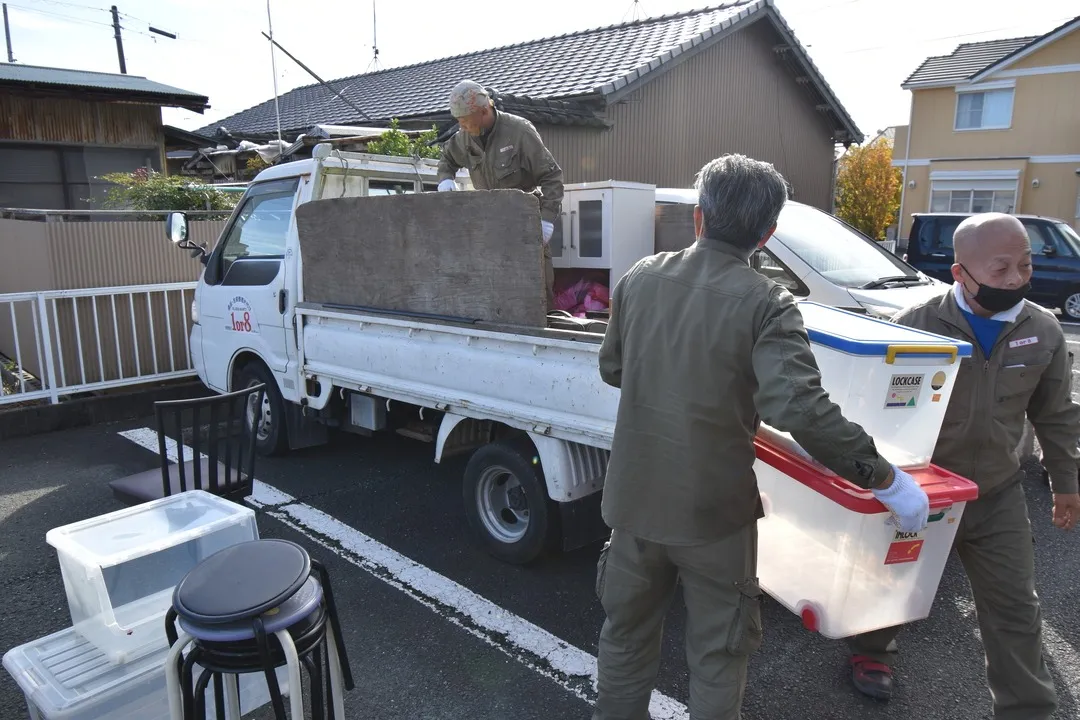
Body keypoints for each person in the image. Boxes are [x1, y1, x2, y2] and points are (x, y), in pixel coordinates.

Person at [592, 153, 930, 720]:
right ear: (768, 233)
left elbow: (614, 369)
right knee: (719, 654)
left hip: (633, 502)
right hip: (713, 515)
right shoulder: (768, 303)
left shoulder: (640, 277)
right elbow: (798, 406)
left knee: (624, 638)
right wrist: (888, 480)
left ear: (699, 217)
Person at [845, 212, 1080, 717]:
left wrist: (1067, 482)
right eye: (1000, 270)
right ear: (960, 273)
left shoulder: (1042, 330)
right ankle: (872, 652)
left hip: (995, 493)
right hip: (922, 492)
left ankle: (1028, 708)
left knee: (1015, 605)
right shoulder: (916, 328)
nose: (1016, 279)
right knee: (889, 580)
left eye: (1025, 265)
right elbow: (872, 412)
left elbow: (1057, 414)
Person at [436, 80, 564, 308]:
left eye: (465, 121)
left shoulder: (519, 132)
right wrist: (446, 179)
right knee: (492, 289)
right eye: (459, 122)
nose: (462, 126)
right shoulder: (465, 137)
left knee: (536, 292)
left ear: (484, 111)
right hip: (488, 225)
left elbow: (552, 176)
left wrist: (546, 220)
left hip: (524, 224)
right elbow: (447, 158)